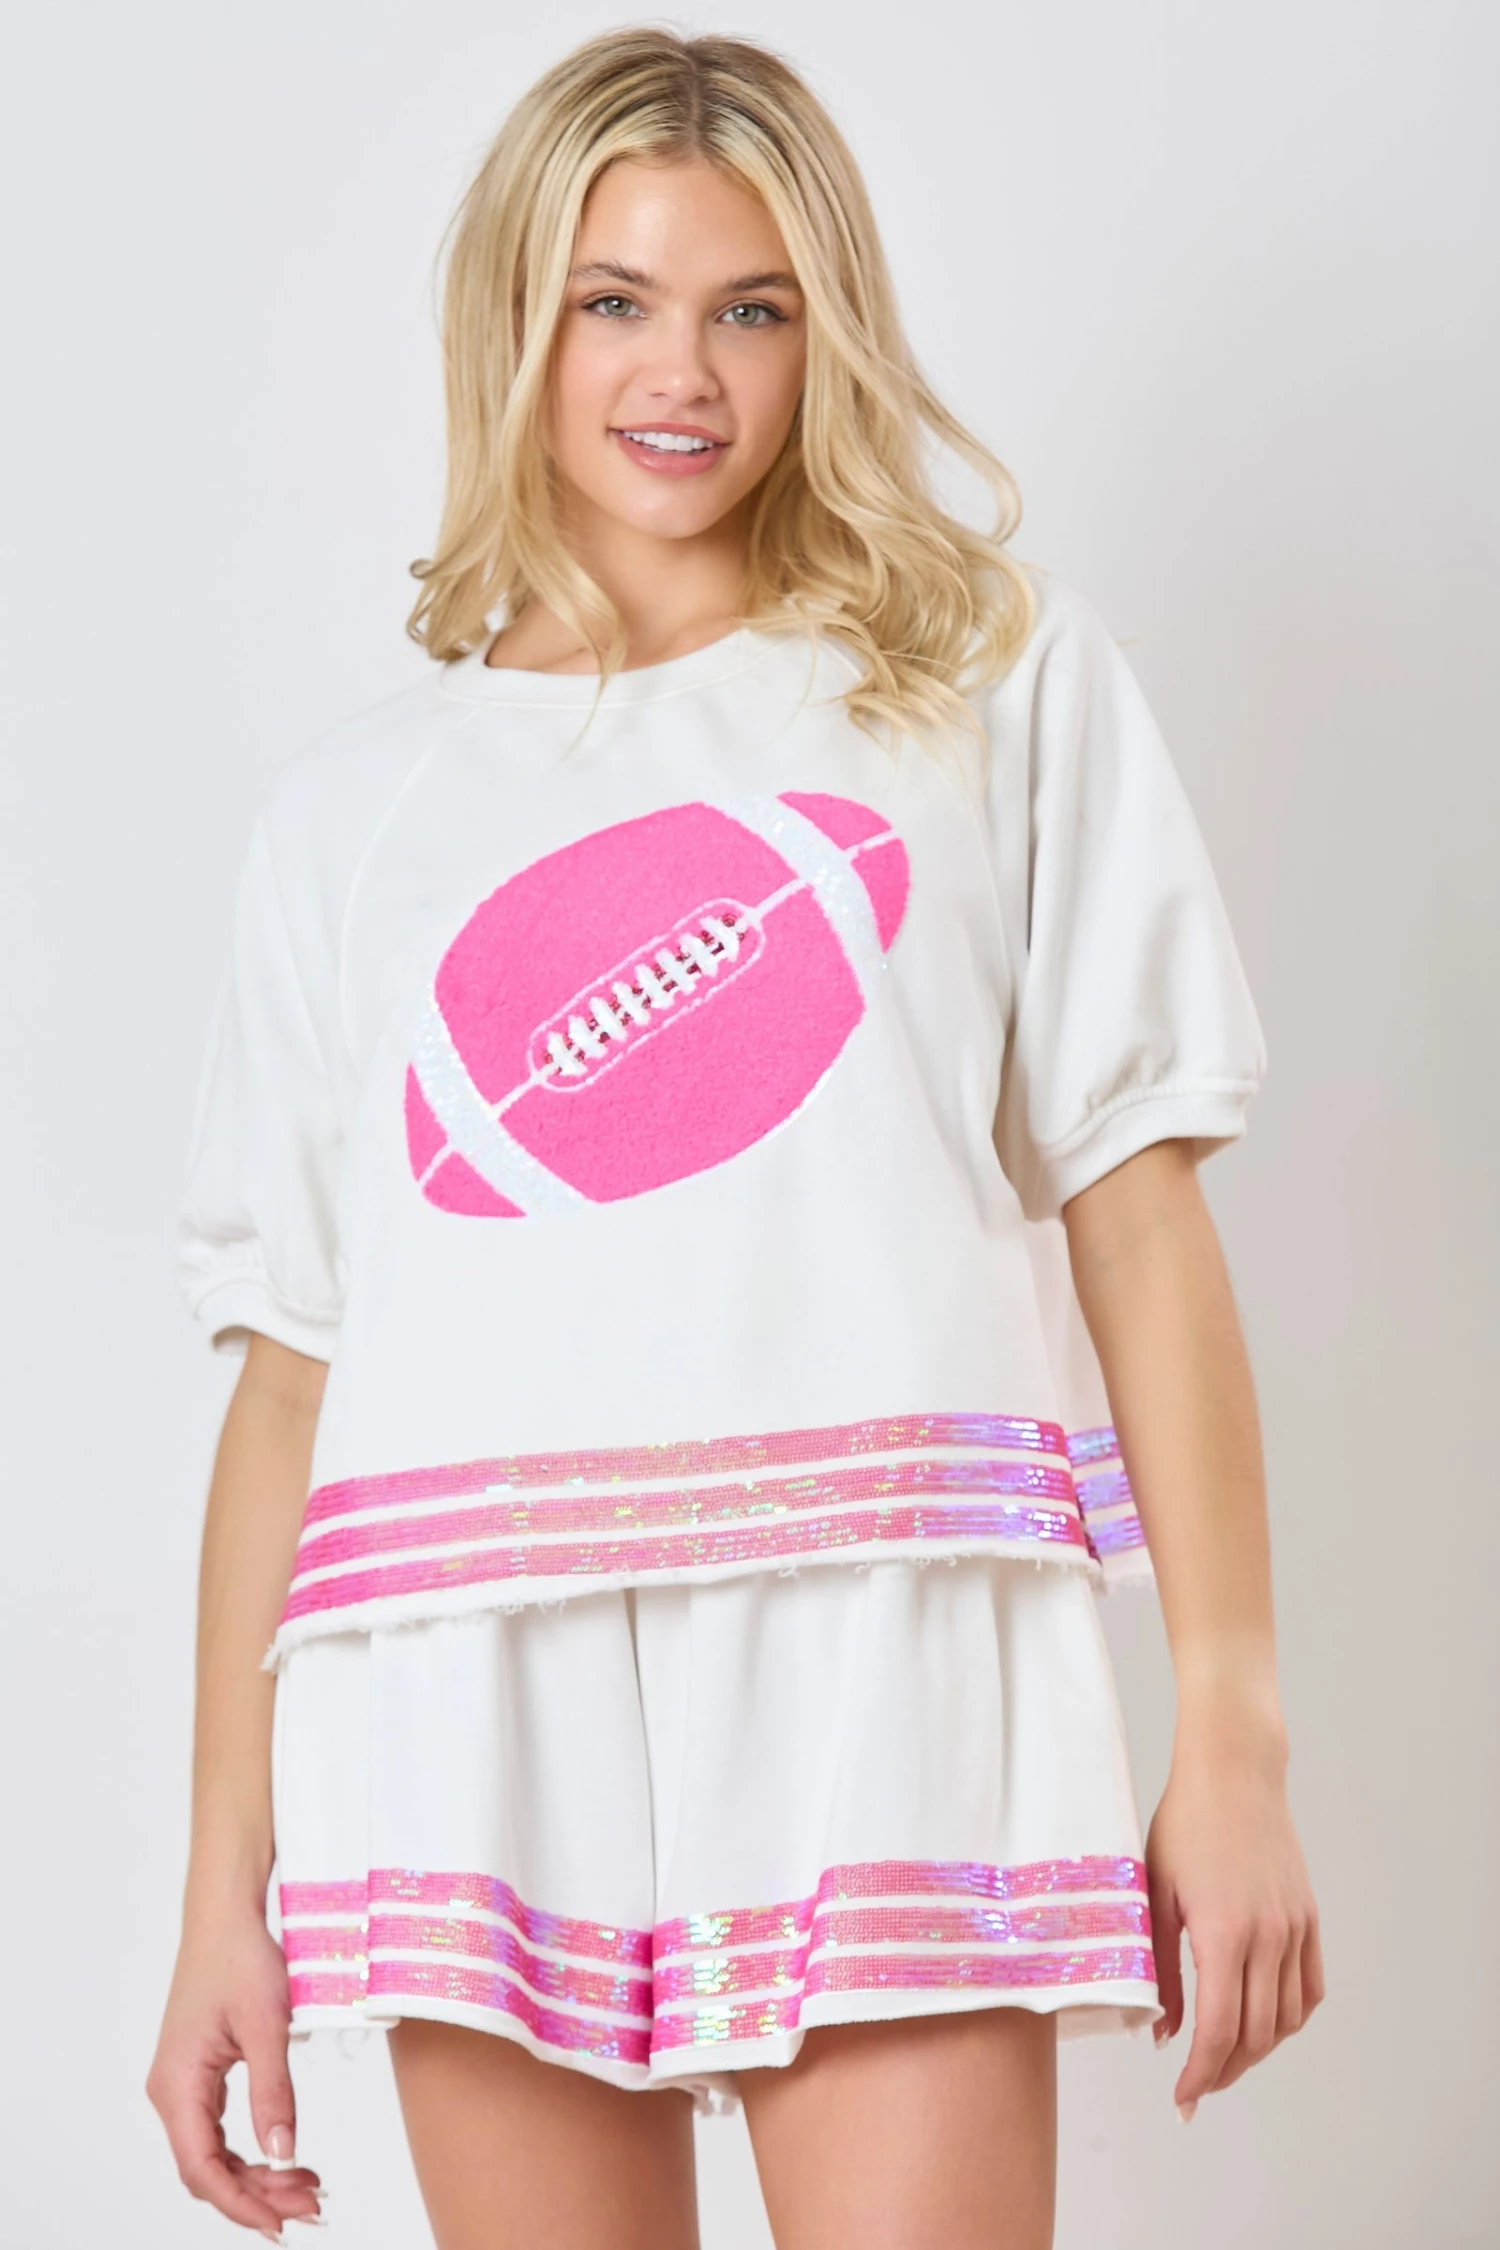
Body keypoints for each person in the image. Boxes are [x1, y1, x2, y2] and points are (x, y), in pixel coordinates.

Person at [146, 26, 1324, 2250]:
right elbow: (292, 1373)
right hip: (475, 1687)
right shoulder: (351, 821)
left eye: (751, 308)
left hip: (884, 1649)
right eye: (615, 299)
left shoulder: (987, 686)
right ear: (515, 316)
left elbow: (1138, 1211)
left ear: (825, 334)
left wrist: (1233, 1729)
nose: (680, 373)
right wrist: (225, 1892)